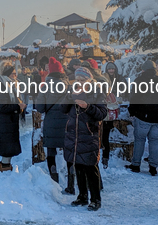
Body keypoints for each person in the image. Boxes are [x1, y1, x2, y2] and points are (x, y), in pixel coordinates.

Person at [63, 66, 107, 211]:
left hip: (89, 135)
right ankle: (82, 196)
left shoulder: (97, 91)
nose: (80, 82)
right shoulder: (71, 90)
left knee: (90, 167)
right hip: (74, 135)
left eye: (83, 79)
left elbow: (102, 113)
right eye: (78, 79)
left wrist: (87, 106)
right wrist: (69, 97)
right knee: (78, 165)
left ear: (89, 80)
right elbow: (62, 109)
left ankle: (95, 199)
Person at [35, 57, 74, 194]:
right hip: (67, 124)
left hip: (51, 124)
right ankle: (71, 184)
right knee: (69, 154)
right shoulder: (69, 87)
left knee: (51, 152)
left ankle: (54, 182)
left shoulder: (45, 87)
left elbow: (39, 107)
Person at [126, 60, 158, 176]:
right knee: (154, 140)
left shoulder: (140, 80)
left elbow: (134, 97)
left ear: (144, 69)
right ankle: (153, 166)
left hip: (144, 115)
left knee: (140, 140)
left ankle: (136, 164)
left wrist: (132, 110)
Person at [0, 61, 25, 171]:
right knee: (7, 148)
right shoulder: (3, 85)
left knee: (9, 147)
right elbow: (2, 106)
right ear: (7, 74)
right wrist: (17, 106)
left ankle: (6, 166)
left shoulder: (9, 84)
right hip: (5, 123)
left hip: (8, 122)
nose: (15, 75)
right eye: (13, 73)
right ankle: (5, 169)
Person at [101, 62, 123, 169]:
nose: (111, 71)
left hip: (109, 112)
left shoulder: (119, 78)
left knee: (105, 136)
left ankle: (105, 158)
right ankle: (104, 157)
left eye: (112, 69)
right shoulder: (104, 79)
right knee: (103, 136)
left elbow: (123, 90)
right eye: (109, 69)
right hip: (106, 112)